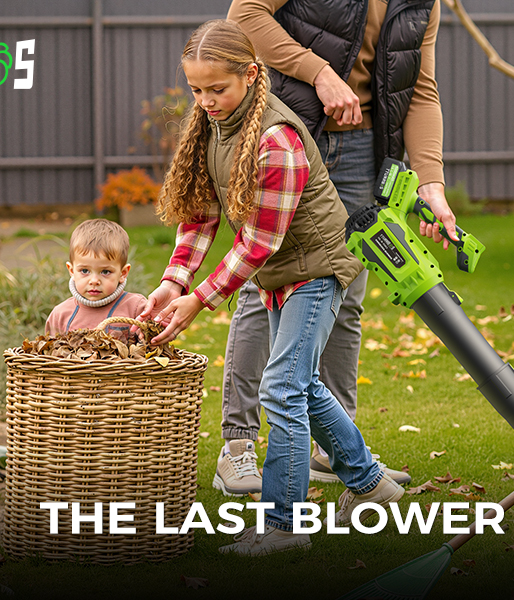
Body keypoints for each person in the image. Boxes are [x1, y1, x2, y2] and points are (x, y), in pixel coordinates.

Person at [139, 20, 403, 555]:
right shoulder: (215, 128)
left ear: (251, 75)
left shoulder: (275, 137)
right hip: (283, 272)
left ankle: (284, 526)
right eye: (197, 90)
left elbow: (259, 241)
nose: (207, 101)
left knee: (281, 386)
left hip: (318, 269)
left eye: (218, 89)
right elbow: (200, 215)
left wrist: (199, 299)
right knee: (299, 384)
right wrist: (174, 281)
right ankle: (371, 484)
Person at [213, 0, 452, 493]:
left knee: (344, 298)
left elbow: (420, 89)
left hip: (364, 147)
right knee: (268, 286)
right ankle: (237, 445)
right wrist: (318, 71)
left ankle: (336, 447)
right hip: (291, 130)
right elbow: (245, 16)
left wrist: (432, 181)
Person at [44, 219, 148, 335]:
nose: (94, 281)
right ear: (72, 271)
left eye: (105, 272)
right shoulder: (60, 315)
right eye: (84, 271)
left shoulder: (136, 308)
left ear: (122, 273)